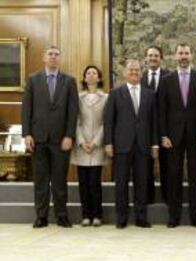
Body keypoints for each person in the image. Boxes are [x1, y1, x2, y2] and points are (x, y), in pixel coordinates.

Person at [22, 45, 79, 228]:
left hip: (61, 139)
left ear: (59, 58)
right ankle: (41, 216)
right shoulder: (33, 80)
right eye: (50, 54)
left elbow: (73, 111)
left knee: (60, 180)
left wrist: (69, 135)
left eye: (56, 54)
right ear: (43, 58)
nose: (53, 57)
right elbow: (26, 109)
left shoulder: (69, 81)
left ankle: (62, 216)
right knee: (41, 181)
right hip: (38, 138)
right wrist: (27, 133)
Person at [159, 43, 196, 228]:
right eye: (180, 53)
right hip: (172, 137)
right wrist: (163, 134)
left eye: (186, 53)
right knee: (174, 176)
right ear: (175, 55)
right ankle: (174, 217)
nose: (183, 56)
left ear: (191, 55)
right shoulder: (166, 80)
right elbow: (161, 110)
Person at [104, 59, 159, 229]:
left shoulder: (150, 94)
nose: (134, 73)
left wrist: (155, 144)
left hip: (143, 145)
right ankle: (121, 218)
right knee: (121, 183)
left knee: (141, 183)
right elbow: (109, 121)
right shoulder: (115, 93)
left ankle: (141, 217)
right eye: (131, 70)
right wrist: (108, 143)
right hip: (121, 145)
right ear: (125, 73)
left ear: (141, 73)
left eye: (137, 70)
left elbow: (154, 122)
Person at [71, 65, 107, 227]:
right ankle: (86, 215)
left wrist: (95, 141)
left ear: (99, 78)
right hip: (81, 145)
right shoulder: (78, 98)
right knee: (83, 183)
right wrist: (81, 141)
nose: (91, 76)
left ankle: (98, 216)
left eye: (94, 73)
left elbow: (106, 123)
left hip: (97, 145)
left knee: (95, 182)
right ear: (84, 78)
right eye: (88, 73)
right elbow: (76, 121)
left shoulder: (106, 97)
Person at [141, 46, 170, 203]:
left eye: (156, 56)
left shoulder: (170, 77)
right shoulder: (140, 77)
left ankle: (167, 197)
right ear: (146, 58)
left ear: (161, 58)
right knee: (145, 165)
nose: (153, 58)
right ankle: (148, 197)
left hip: (166, 128)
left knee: (166, 164)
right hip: (145, 129)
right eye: (150, 55)